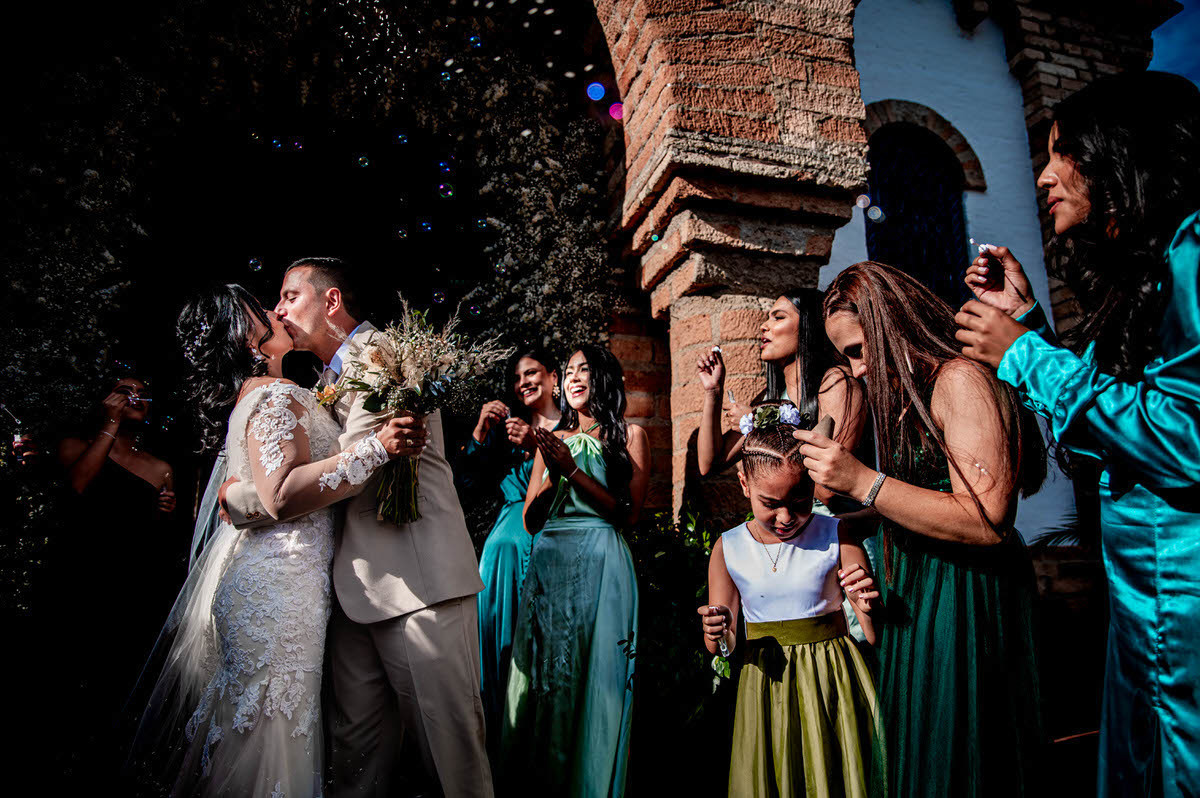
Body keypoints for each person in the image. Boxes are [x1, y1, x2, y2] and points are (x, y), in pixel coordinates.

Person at [956, 71, 1200, 795]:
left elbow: (1187, 439)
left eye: (1062, 152)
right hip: (1142, 603)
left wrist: (1025, 354)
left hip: (1184, 598)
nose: (1043, 175)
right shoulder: (1148, 270)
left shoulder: (1193, 251)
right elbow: (1108, 432)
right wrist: (1030, 325)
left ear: (1116, 151)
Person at [220, 257, 493, 797]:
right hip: (349, 592)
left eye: (288, 296)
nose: (277, 310)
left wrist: (246, 501)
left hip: (417, 584)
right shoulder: (320, 380)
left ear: (331, 302)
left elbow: (351, 467)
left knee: (450, 757)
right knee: (354, 758)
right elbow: (312, 473)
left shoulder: (385, 357)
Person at [136, 283, 415, 797]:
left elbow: (251, 491)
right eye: (263, 309)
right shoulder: (273, 395)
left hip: (282, 579)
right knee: (269, 724)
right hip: (279, 585)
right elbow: (282, 493)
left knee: (271, 720)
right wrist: (377, 447)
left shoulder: (264, 395)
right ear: (249, 339)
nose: (276, 311)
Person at [797, 260, 1045, 796]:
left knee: (963, 759)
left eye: (859, 351)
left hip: (966, 596)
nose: (857, 370)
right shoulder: (918, 394)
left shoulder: (959, 378)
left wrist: (863, 481)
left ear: (890, 325)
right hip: (924, 590)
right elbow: (928, 498)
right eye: (846, 357)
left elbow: (986, 517)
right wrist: (841, 525)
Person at [699, 422, 879, 797]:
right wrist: (716, 631)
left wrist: (866, 603)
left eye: (798, 502)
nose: (785, 517)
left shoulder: (835, 534)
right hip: (767, 682)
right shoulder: (727, 548)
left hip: (833, 679)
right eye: (770, 503)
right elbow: (722, 649)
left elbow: (873, 633)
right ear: (745, 484)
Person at [501, 345, 649, 797]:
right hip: (551, 561)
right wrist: (551, 470)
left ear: (604, 377)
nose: (574, 377)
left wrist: (573, 472)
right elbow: (530, 518)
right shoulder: (552, 437)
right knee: (546, 674)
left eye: (585, 369)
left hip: (602, 554)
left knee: (595, 674)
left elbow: (628, 514)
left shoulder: (630, 435)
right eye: (568, 372)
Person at [49, 374, 179, 785]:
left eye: (143, 391)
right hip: (80, 581)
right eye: (126, 390)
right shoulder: (75, 447)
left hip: (131, 589)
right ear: (106, 400)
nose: (136, 396)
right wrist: (109, 424)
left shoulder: (160, 468)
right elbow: (80, 485)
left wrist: (165, 510)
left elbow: (156, 539)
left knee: (119, 686)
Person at [456, 347, 562, 755]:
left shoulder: (574, 425)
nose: (524, 383)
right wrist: (482, 432)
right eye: (518, 378)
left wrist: (539, 441)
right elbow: (465, 488)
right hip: (502, 554)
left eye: (532, 373)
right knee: (499, 648)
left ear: (554, 376)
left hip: (551, 544)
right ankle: (498, 745)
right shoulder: (504, 433)